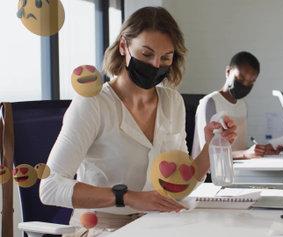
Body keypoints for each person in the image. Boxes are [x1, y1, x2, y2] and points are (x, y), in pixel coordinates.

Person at [39, 7, 236, 236]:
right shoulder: (93, 104)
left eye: (165, 58)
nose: (155, 65)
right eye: (146, 54)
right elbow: (50, 187)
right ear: (124, 46)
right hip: (101, 227)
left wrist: (210, 150)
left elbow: (177, 189)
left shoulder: (172, 102)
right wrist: (128, 197)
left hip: (157, 225)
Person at [192, 51, 283, 159]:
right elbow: (209, 153)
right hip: (210, 173)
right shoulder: (210, 102)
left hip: (237, 168)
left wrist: (262, 150)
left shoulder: (243, 105)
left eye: (250, 82)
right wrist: (245, 154)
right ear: (228, 71)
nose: (245, 85)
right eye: (240, 79)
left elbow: (238, 148)